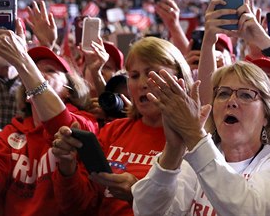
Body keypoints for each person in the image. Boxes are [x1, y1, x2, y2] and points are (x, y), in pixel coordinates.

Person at [0, 21, 98, 216]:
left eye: (50, 71)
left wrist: (22, 61)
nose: (39, 76)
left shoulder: (86, 121)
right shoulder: (10, 134)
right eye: (36, 70)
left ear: (69, 90)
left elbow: (60, 127)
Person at [132, 61, 270, 215]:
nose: (231, 102)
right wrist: (174, 148)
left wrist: (194, 134)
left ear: (267, 115)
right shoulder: (194, 156)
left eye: (245, 95)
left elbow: (252, 211)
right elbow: (146, 211)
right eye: (223, 93)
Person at [51, 36, 192, 216]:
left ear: (179, 78)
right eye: (134, 76)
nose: (141, 84)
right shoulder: (113, 130)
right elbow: (77, 206)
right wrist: (67, 165)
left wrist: (138, 194)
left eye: (151, 74)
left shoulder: (191, 139)